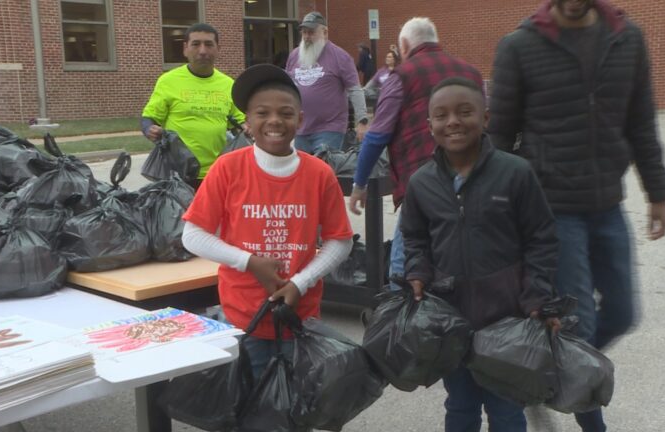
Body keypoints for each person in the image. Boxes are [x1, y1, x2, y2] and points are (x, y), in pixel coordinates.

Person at [487, 1, 665, 430]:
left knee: (624, 313)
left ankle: (544, 374)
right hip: (552, 208)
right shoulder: (520, 45)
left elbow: (641, 121)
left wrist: (658, 191)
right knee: (581, 326)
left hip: (607, 202)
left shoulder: (628, 39)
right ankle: (593, 422)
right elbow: (498, 137)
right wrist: (497, 208)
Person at [402, 77, 561, 432]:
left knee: (505, 408)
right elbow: (414, 238)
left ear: (485, 118)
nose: (453, 122)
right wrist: (417, 273)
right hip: (450, 317)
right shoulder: (421, 183)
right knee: (460, 405)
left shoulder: (515, 173)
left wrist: (537, 295)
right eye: (441, 116)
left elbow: (541, 238)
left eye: (464, 112)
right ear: (429, 126)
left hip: (506, 317)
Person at [181, 63, 354, 379]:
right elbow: (192, 235)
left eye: (286, 113)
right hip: (243, 314)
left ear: (300, 119)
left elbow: (340, 240)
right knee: (252, 405)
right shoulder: (227, 168)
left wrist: (301, 282)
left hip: (299, 315)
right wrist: (249, 262)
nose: (274, 121)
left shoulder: (319, 174)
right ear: (247, 121)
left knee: (295, 406)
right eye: (262, 113)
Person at [348, 17, 483, 288]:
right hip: (475, 179)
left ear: (406, 45)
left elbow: (376, 136)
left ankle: (403, 318)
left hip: (422, 181)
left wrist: (359, 183)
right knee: (465, 257)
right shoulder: (471, 73)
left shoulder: (402, 76)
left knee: (406, 261)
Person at [141, 23, 245, 188]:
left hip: (217, 173)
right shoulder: (168, 81)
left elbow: (241, 123)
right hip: (177, 174)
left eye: (209, 44)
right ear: (185, 48)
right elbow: (149, 118)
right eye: (196, 44)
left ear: (218, 48)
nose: (202, 51)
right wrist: (149, 129)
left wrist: (247, 126)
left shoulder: (228, 84)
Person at [285, 11, 368, 154]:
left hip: (329, 128)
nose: (306, 37)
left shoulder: (340, 56)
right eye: (304, 32)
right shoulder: (294, 56)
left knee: (323, 170)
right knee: (302, 173)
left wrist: (362, 121)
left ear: (325, 32)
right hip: (300, 129)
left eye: (311, 32)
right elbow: (286, 89)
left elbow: (354, 90)